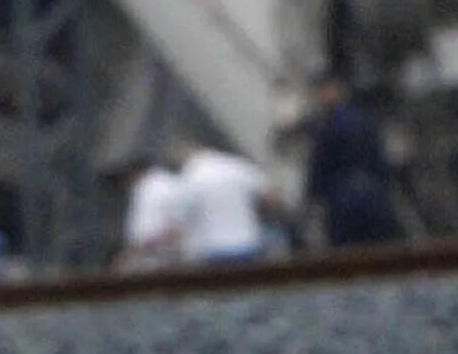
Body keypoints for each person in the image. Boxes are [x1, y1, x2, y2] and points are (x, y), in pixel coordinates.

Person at [304, 74, 402, 248]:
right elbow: (380, 158)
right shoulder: (365, 119)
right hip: (372, 192)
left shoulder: (327, 126)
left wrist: (314, 196)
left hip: (344, 197)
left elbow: (320, 164)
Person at [172, 138, 283, 264]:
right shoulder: (236, 166)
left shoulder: (191, 175)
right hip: (248, 244)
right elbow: (272, 196)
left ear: (184, 152)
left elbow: (179, 221)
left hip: (211, 250)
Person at [115, 152, 189, 270]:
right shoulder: (171, 182)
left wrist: (129, 255)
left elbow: (145, 232)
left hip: (154, 258)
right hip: (176, 255)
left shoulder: (148, 187)